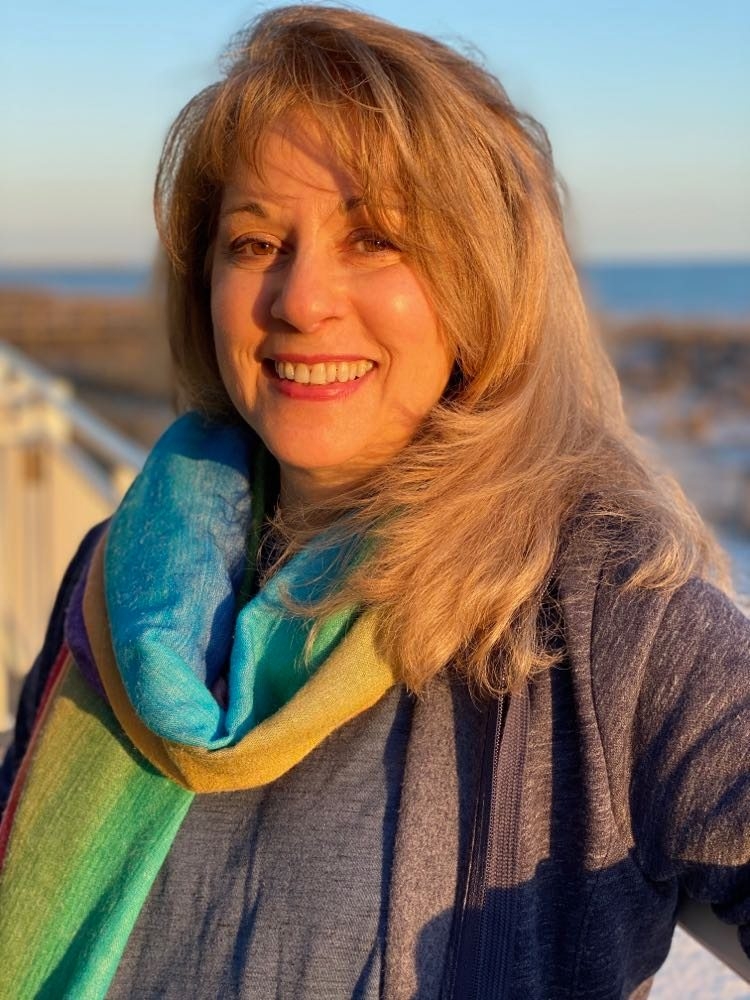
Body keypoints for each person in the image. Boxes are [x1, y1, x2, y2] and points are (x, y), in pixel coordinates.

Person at [0, 6, 748, 998]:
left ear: (484, 285)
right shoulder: (121, 576)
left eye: (376, 238)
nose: (300, 299)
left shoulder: (604, 617)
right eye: (255, 241)